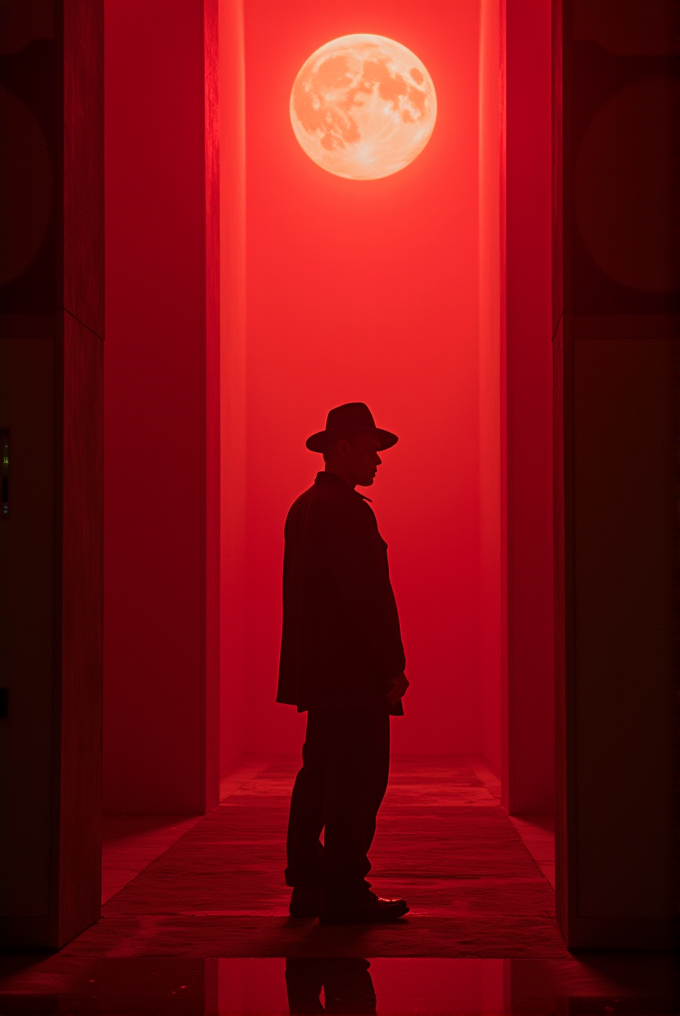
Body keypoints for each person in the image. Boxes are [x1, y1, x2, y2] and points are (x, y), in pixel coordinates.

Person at [277, 402, 410, 924]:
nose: (378, 461)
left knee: (318, 775)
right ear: (344, 448)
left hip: (319, 673)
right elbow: (367, 597)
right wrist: (391, 664)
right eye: (372, 450)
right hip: (353, 675)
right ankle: (345, 889)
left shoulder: (304, 506)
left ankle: (308, 885)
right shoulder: (349, 511)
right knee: (357, 781)